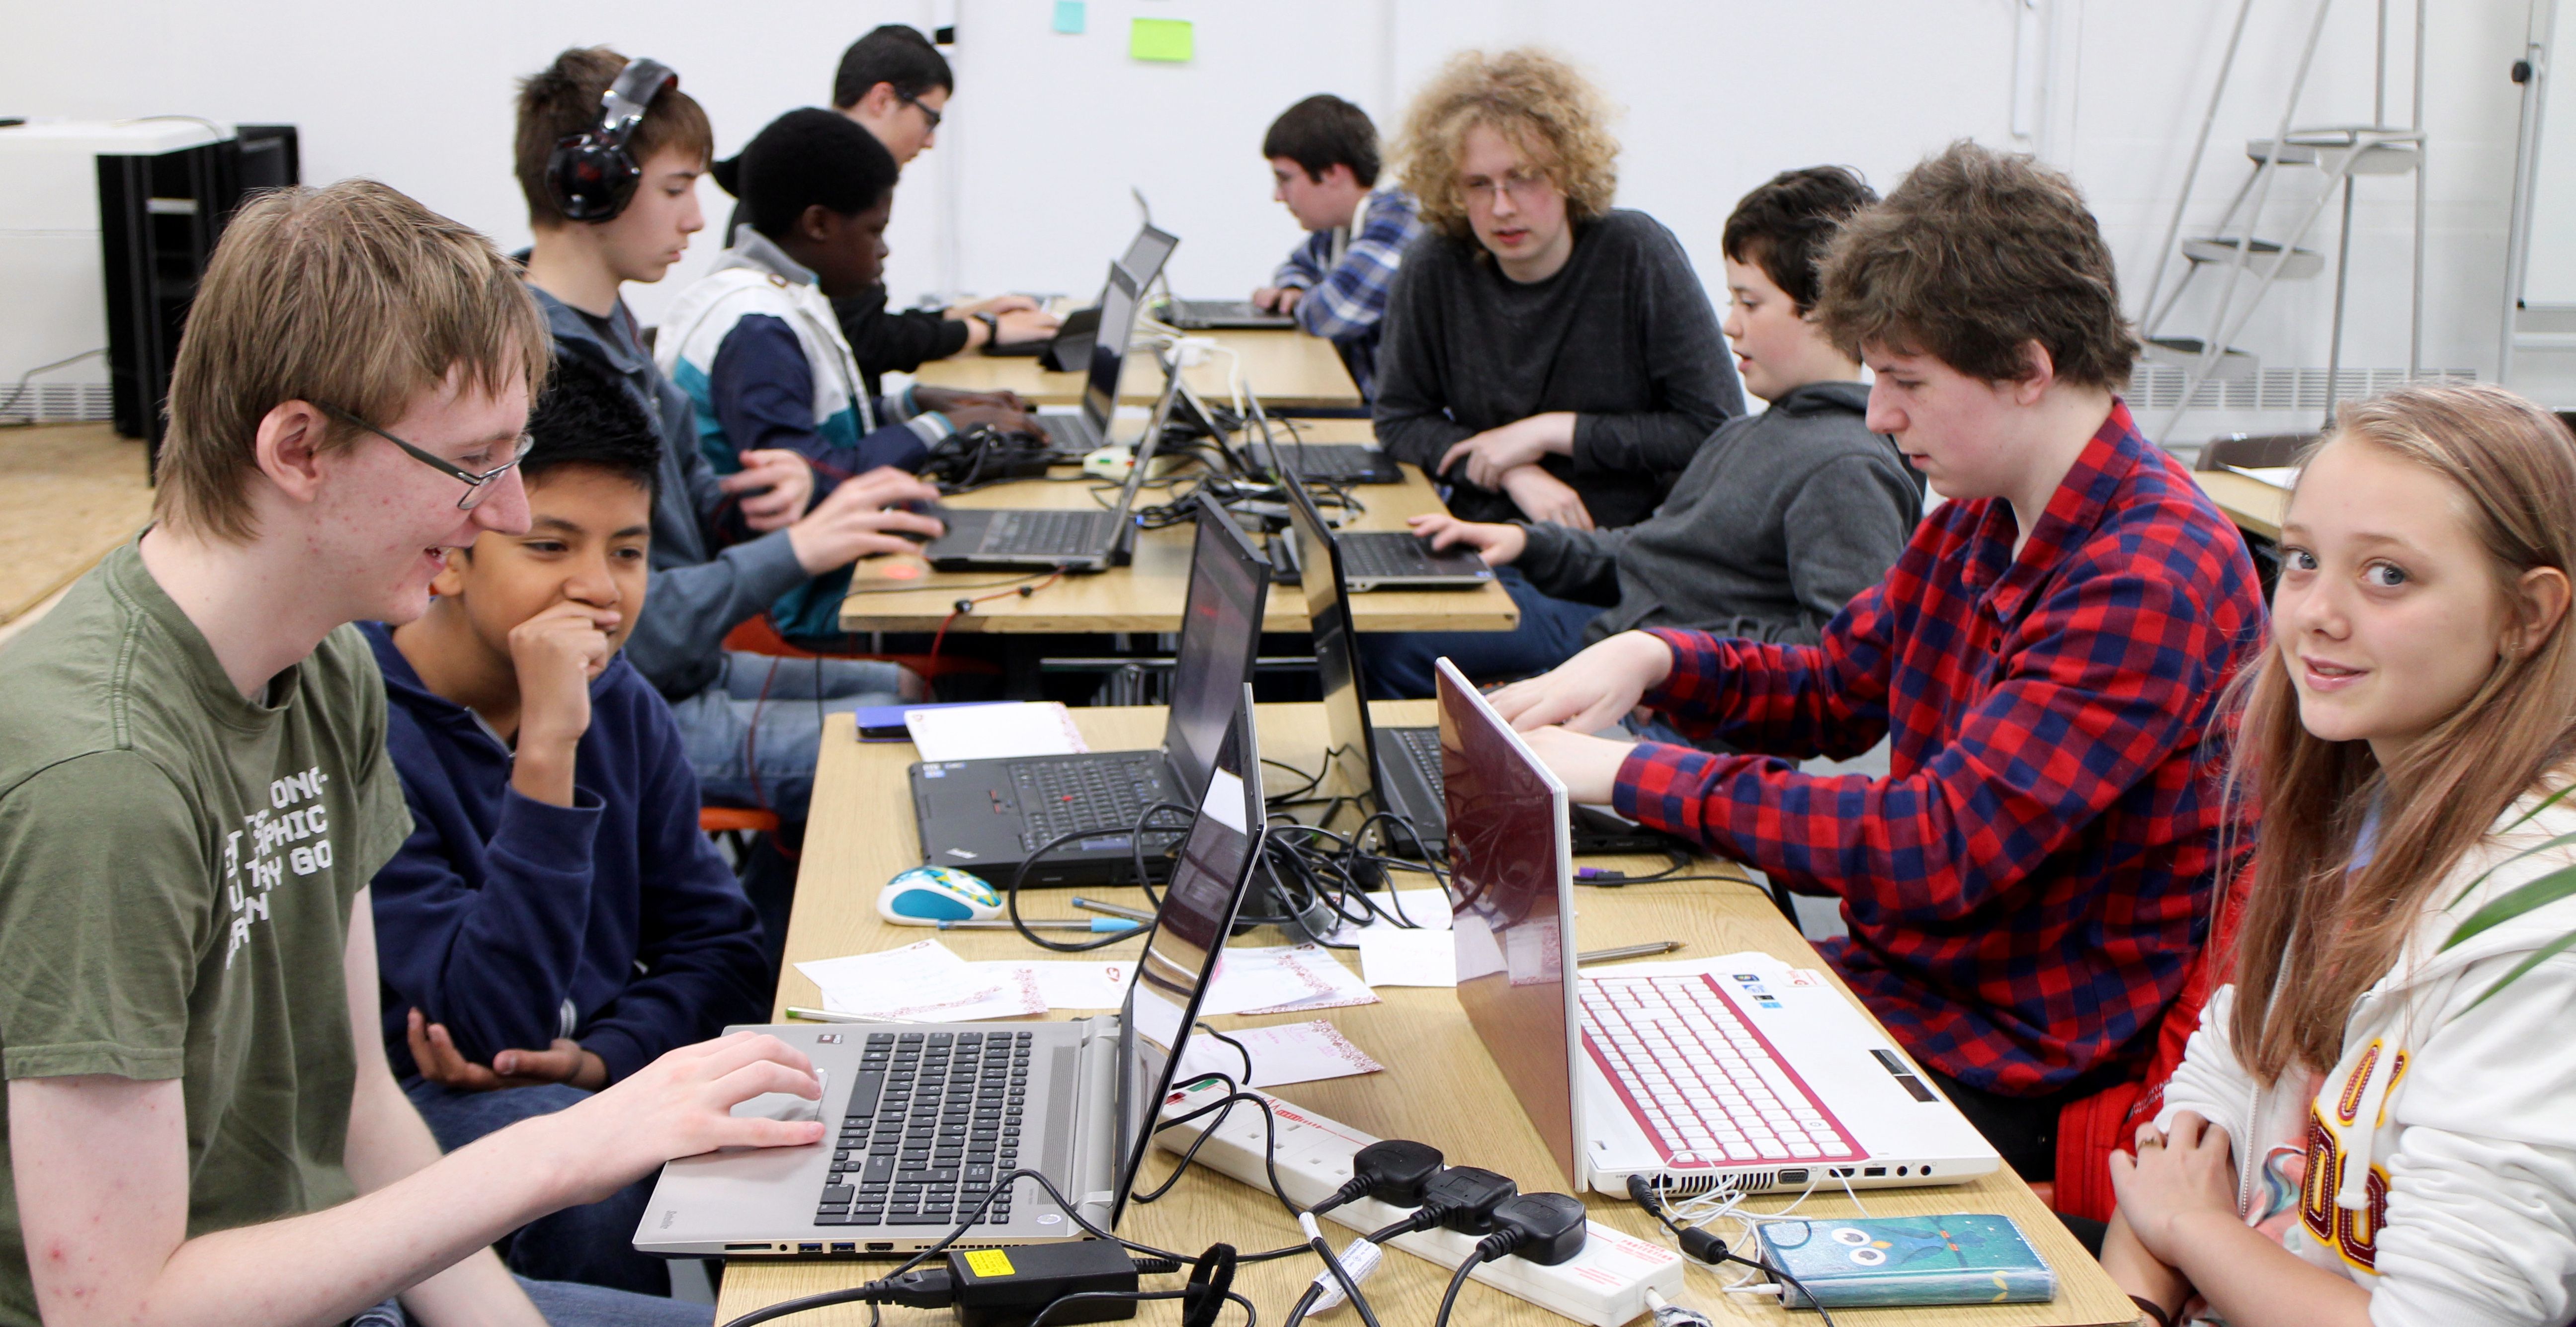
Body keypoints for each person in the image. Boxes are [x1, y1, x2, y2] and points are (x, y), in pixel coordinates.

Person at [0, 180, 823, 1327]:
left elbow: (361, 1111)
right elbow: (121, 1311)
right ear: (298, 447)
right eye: (474, 462)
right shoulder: (106, 777)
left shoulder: (326, 667)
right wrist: (564, 1150)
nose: (504, 510)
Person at [1487, 142, 2265, 1191]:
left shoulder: (2145, 574)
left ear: (2028, 369)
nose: (1877, 415)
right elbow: (1832, 689)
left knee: (1565, 1139)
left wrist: (1622, 774)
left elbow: (1932, 845)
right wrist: (1655, 658)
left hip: (2002, 1061)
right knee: (1548, 1060)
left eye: (1904, 383)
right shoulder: (1981, 520)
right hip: (1904, 998)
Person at [2104, 384, 2576, 1327]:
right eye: (2302, 560)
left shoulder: (2539, 930)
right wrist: (2134, 1302)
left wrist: (2194, 1234)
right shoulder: (2362, 803)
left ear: (2525, 616)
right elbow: (2198, 1113)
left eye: (2387, 577)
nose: (2315, 613)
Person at [366, 353, 770, 1298]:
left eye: (627, 552)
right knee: (587, 1174)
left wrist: (607, 1058)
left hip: (584, 1081)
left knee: (783, 1094)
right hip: (409, 1107)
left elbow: (721, 947)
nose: (600, 588)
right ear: (452, 553)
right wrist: (547, 752)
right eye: (550, 547)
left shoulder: (620, 703)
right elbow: (487, 1026)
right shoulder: (369, 726)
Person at [513, 48, 943, 826]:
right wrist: (802, 547)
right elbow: (629, 629)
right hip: (622, 701)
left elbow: (689, 508)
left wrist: (773, 494)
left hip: (683, 668)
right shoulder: (540, 376)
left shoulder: (612, 334)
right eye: (675, 189)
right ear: (590, 184)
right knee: (912, 757)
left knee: (908, 695)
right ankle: (773, 943)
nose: (697, 218)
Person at [1363, 165, 1919, 699]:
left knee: (1402, 669)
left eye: (1749, 303)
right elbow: (1650, 555)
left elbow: (1842, 670)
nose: (1729, 324)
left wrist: (1673, 662)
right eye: (1732, 301)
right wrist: (1527, 544)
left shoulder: (1845, 469)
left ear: (1831, 310)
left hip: (1671, 726)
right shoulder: (1748, 437)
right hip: (1624, 662)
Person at [1371, 48, 1744, 533]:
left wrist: (1551, 433)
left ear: (1569, 171)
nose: (1501, 207)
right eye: (1478, 185)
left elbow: (1715, 428)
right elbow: (1400, 419)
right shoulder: (1435, 264)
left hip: (1616, 548)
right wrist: (1509, 470)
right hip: (1482, 536)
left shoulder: (1635, 253)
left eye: (1523, 178)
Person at [817, 23, 1058, 389]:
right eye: (930, 120)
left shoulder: (823, 166)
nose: (929, 141)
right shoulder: (830, 183)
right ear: (882, 100)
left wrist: (961, 316)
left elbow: (860, 322)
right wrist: (986, 330)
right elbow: (864, 341)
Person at [1248, 94, 1425, 401]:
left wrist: (1302, 300)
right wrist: (1293, 288)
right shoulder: (1343, 224)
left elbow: (1329, 315)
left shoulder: (1401, 218)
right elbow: (1297, 267)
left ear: (1332, 173)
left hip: (1393, 420)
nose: (1278, 196)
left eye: (1285, 179)